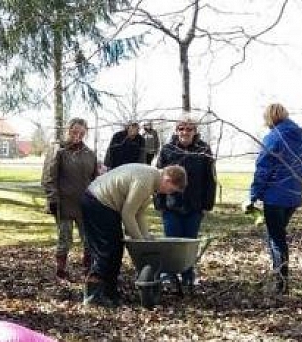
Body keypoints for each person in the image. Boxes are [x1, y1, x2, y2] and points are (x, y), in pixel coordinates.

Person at [81, 163, 187, 307]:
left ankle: (109, 291)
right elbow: (128, 214)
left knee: (117, 249)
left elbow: (139, 213)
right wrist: (140, 242)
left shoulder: (152, 183)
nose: (168, 193)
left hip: (107, 206)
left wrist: (146, 237)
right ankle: (94, 295)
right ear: (167, 180)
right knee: (106, 250)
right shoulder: (145, 181)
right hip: (97, 201)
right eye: (170, 190)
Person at [247, 103, 302, 294]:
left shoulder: (273, 137)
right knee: (278, 235)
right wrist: (297, 174)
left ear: (269, 118)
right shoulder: (301, 136)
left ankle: (281, 282)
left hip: (275, 196)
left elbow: (263, 169)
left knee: (276, 238)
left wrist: (253, 196)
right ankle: (280, 277)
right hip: (294, 196)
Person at [155, 116, 217, 289]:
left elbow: (210, 179)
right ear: (176, 130)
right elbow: (158, 178)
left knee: (190, 242)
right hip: (171, 205)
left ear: (195, 131)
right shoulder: (168, 150)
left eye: (189, 129)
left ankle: (188, 274)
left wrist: (207, 205)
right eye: (181, 128)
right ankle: (168, 275)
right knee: (172, 242)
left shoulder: (203, 150)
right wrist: (159, 203)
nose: (185, 132)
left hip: (195, 205)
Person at [41, 118, 99, 281]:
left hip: (85, 204)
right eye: (75, 132)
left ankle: (89, 269)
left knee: (88, 239)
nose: (77, 135)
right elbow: (48, 177)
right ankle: (61, 270)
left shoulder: (89, 154)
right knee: (64, 238)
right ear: (69, 130)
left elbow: (95, 179)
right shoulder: (59, 150)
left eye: (81, 132)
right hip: (63, 204)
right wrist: (52, 199)